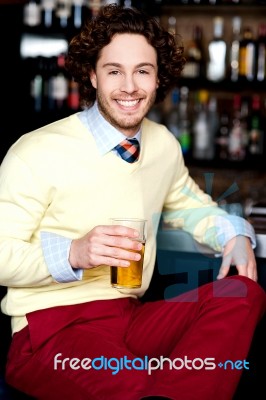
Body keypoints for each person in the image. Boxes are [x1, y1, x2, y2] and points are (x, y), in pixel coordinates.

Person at [0, 4, 265, 400]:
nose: (129, 86)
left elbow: (191, 204)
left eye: (142, 70)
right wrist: (75, 252)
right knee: (136, 388)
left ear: (158, 79)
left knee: (244, 294)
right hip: (48, 330)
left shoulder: (161, 145)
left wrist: (235, 233)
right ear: (92, 75)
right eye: (114, 71)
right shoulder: (34, 152)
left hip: (128, 316)